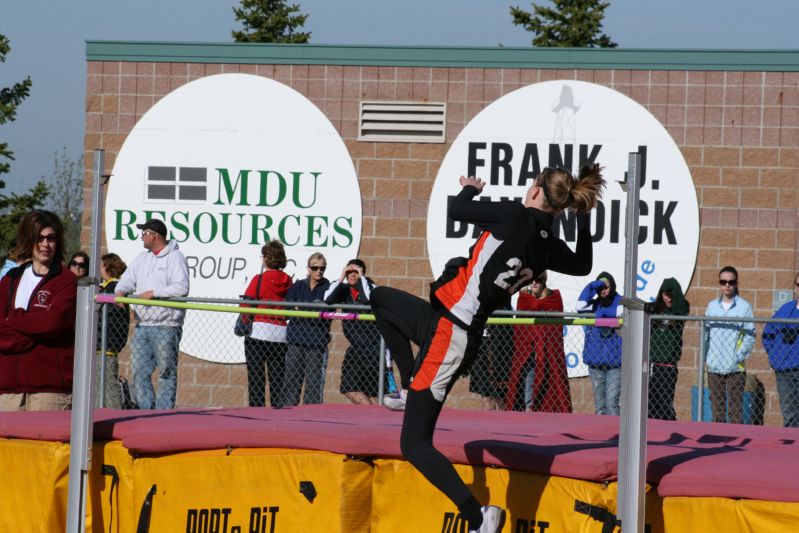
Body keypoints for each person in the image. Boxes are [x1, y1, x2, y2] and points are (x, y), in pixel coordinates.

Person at [369, 165, 606, 533]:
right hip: (444, 320)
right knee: (380, 300)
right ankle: (406, 386)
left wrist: (469, 190)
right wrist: (585, 221)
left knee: (414, 444)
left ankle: (478, 517)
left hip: (452, 334)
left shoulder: (516, 215)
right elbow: (583, 264)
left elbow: (456, 210)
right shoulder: (546, 244)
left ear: (536, 191)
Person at [0, 210, 77, 411]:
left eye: (51, 238)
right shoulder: (10, 279)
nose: (45, 244)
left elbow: (53, 323)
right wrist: (31, 326)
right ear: (28, 239)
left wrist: (13, 317)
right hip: (8, 389)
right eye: (39, 238)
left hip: (50, 390)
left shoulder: (66, 280)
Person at [115, 218, 190, 410]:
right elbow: (127, 279)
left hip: (167, 325)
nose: (142, 237)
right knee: (138, 371)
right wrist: (120, 292)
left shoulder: (176, 258)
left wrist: (154, 294)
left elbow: (181, 287)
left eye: (144, 233)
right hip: (142, 326)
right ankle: (145, 411)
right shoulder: (142, 258)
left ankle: (163, 413)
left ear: (154, 235)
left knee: (166, 372)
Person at [506, 271, 572, 413]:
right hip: (528, 350)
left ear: (544, 281)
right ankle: (528, 408)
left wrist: (542, 344)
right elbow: (521, 328)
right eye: (531, 281)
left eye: (538, 280)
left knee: (549, 383)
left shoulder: (553, 299)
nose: (534, 283)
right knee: (527, 381)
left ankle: (539, 410)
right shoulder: (523, 299)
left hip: (548, 353)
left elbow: (554, 330)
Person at [242, 240, 292, 408]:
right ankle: (277, 412)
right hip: (280, 334)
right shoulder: (288, 281)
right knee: (277, 377)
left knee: (256, 377)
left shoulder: (259, 279)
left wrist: (245, 322)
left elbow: (246, 305)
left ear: (267, 258)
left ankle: (257, 414)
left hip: (258, 332)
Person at [324, 259, 382, 405]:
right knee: (349, 388)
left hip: (374, 348)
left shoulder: (372, 287)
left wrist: (361, 277)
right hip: (356, 348)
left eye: (355, 272)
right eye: (349, 272)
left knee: (373, 392)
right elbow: (328, 299)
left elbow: (368, 299)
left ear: (362, 273)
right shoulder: (343, 289)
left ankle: (375, 418)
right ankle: (373, 416)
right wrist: (342, 275)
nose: (352, 275)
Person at [704, 266, 755, 424]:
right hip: (714, 367)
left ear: (736, 283)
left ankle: (736, 443)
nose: (727, 285)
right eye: (723, 281)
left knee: (735, 411)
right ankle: (719, 443)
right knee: (717, 411)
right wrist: (708, 358)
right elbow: (706, 335)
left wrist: (737, 357)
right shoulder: (712, 306)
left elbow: (750, 335)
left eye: (731, 282)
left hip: (735, 368)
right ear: (719, 283)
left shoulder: (744, 307)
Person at [283, 253, 332, 406]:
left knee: (313, 386)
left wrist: (301, 307)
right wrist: (311, 309)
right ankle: (289, 418)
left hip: (316, 343)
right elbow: (288, 306)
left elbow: (324, 312)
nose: (319, 271)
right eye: (315, 268)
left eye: (322, 268)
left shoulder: (328, 288)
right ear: (308, 268)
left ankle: (312, 419)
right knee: (291, 382)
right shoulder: (298, 285)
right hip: (295, 341)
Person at [577, 272, 623, 416]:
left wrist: (601, 314)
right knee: (600, 407)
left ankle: (618, 436)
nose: (603, 291)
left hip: (615, 363)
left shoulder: (620, 301)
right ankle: (603, 435)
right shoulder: (595, 304)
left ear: (613, 286)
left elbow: (619, 312)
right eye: (600, 288)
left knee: (612, 403)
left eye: (606, 287)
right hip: (596, 362)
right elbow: (579, 306)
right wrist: (592, 286)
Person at [645, 278, 689, 421]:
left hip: (668, 366)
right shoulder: (657, 309)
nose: (668, 298)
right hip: (652, 365)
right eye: (665, 294)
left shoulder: (680, 310)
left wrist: (674, 289)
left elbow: (682, 306)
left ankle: (670, 429)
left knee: (665, 404)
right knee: (650, 404)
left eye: (671, 294)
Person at [762, 272, 799, 427]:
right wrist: (776, 356)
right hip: (786, 371)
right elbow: (767, 334)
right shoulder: (786, 309)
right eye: (798, 285)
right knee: (790, 413)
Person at [96, 253, 131, 409]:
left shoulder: (114, 288)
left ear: (108, 267)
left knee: (109, 386)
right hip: (101, 345)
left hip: (107, 345)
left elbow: (109, 315)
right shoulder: (106, 286)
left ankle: (114, 414)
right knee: (98, 386)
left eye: (102, 265)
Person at [468, 311, 514, 411]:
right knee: (486, 397)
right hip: (482, 352)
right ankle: (486, 421)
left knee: (499, 398)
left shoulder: (504, 313)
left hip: (500, 351)